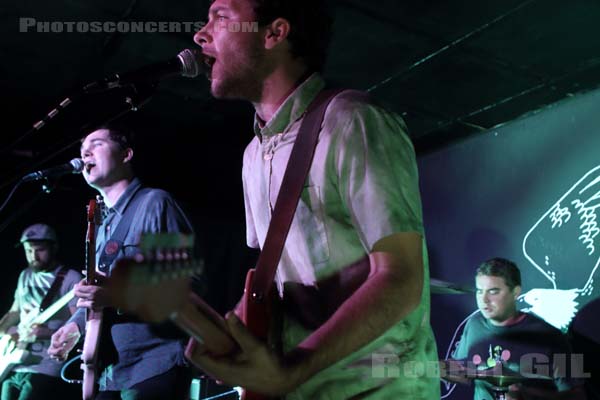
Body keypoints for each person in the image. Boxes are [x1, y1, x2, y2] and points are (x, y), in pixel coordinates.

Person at [189, 0, 440, 398]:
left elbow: (402, 277)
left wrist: (293, 369)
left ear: (274, 33)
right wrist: (239, 328)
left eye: (221, 17)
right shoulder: (252, 155)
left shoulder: (354, 120)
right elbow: (279, 276)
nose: (200, 34)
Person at [47, 126, 195, 399]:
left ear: (126, 154)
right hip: (110, 372)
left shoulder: (154, 203)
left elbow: (184, 283)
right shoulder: (99, 224)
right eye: (82, 150)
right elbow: (102, 289)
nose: (85, 153)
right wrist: (75, 326)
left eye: (97, 144)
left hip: (153, 362)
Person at [443, 257, 587, 400]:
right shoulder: (474, 324)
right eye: (480, 291)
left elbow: (578, 395)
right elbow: (465, 372)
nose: (484, 299)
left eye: (493, 291)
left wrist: (528, 395)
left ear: (516, 292)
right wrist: (434, 366)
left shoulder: (550, 336)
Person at [0, 223, 82, 400]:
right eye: (29, 251)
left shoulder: (72, 278)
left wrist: (48, 333)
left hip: (45, 364)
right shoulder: (25, 275)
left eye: (40, 250)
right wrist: (6, 331)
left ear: (54, 247)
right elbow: (15, 312)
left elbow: (81, 326)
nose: (33, 256)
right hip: (15, 361)